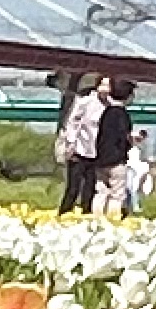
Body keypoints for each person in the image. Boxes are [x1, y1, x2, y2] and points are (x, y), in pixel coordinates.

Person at [54, 72, 107, 216]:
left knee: (90, 187)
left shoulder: (109, 105)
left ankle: (86, 215)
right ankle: (64, 214)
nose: (106, 89)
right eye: (103, 85)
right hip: (79, 150)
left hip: (96, 152)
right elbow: (73, 123)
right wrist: (70, 143)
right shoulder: (85, 101)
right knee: (73, 187)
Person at [91, 73, 141, 216]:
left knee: (100, 192)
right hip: (117, 161)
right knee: (117, 194)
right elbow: (122, 136)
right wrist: (131, 141)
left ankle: (96, 220)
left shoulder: (105, 112)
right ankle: (113, 220)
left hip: (101, 159)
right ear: (128, 96)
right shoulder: (122, 114)